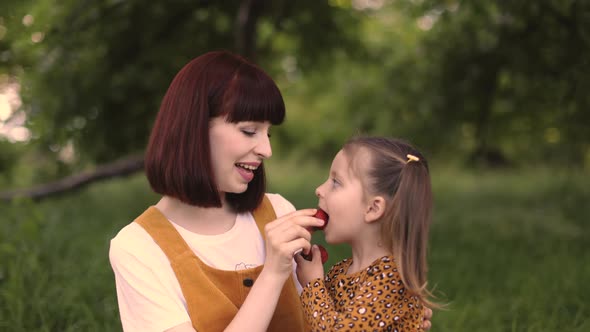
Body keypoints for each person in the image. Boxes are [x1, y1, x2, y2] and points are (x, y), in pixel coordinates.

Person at [109, 50, 432, 332]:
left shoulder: (278, 212)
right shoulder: (137, 248)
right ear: (193, 128)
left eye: (268, 134)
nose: (265, 149)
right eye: (249, 131)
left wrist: (388, 314)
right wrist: (273, 272)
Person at [296, 136, 439, 331]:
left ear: (373, 208)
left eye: (336, 182)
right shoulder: (341, 271)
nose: (319, 190)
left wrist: (313, 286)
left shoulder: (392, 279)